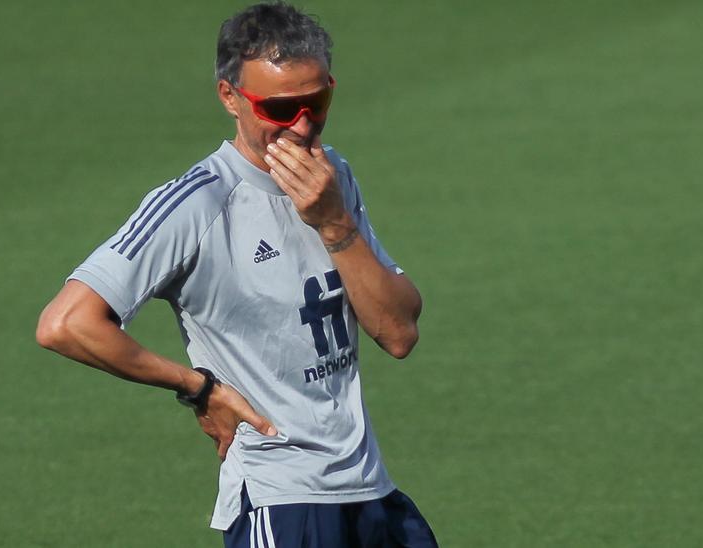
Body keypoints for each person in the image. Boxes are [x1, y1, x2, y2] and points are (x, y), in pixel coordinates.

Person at [35, 2, 437, 546]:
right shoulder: (197, 204)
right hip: (281, 500)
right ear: (231, 98)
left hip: (368, 491)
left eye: (317, 102)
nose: (301, 125)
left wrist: (335, 223)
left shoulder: (333, 176)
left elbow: (398, 332)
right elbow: (65, 323)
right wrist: (198, 387)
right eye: (278, 107)